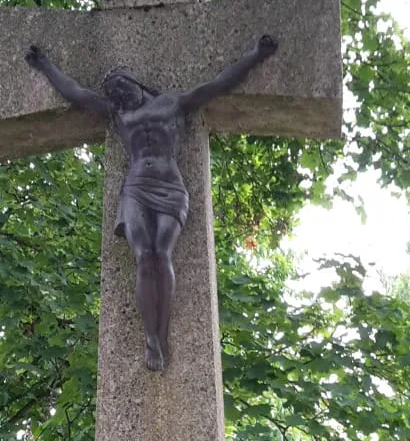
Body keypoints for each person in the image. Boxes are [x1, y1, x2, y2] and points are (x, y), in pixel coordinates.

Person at [25, 35, 278, 371]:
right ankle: (152, 339)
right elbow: (75, 92)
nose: (118, 96)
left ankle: (162, 330)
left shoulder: (173, 104)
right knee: (143, 255)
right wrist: (44, 65)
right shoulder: (117, 116)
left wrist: (256, 54)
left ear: (135, 83)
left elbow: (220, 83)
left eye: (121, 88)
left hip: (170, 187)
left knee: (162, 252)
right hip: (135, 188)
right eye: (113, 93)